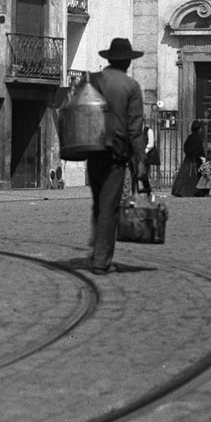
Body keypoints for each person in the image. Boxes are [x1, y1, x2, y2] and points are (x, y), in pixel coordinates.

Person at [86, 38, 147, 275]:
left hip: (93, 150)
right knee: (109, 207)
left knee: (98, 203)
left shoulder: (94, 80)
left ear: (109, 59)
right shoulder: (131, 87)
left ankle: (96, 250)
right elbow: (135, 129)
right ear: (128, 62)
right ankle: (101, 261)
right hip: (116, 153)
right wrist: (140, 160)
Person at [172, 119, 209, 197]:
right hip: (195, 160)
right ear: (199, 129)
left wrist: (189, 154)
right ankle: (196, 191)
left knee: (185, 177)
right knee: (194, 177)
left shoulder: (190, 137)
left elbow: (186, 147)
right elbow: (199, 149)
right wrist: (203, 157)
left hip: (188, 159)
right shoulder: (197, 137)